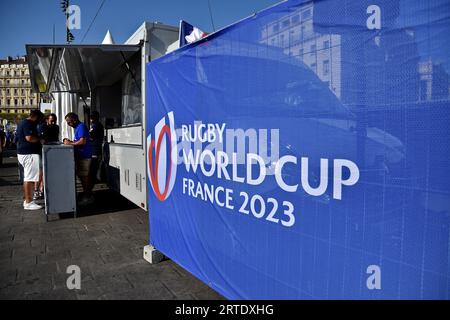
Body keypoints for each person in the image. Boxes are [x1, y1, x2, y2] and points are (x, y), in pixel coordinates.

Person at [63, 112, 94, 206]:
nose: (68, 124)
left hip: (84, 156)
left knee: (85, 177)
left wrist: (70, 144)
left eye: (69, 121)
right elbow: (79, 141)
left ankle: (88, 196)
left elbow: (82, 141)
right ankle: (87, 194)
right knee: (82, 176)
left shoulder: (81, 127)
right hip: (81, 156)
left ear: (74, 119)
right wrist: (71, 141)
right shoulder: (78, 128)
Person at [16, 109, 44, 210]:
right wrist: (40, 139)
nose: (40, 121)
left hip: (25, 153)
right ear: (35, 116)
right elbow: (29, 138)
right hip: (29, 154)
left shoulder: (23, 122)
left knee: (28, 177)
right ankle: (28, 202)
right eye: (39, 119)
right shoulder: (28, 124)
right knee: (29, 178)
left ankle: (27, 200)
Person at [89, 111, 104, 182]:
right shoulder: (96, 125)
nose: (91, 119)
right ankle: (95, 178)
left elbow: (91, 136)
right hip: (95, 148)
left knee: (94, 165)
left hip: (95, 148)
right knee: (95, 165)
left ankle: (95, 179)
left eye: (92, 117)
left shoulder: (96, 125)